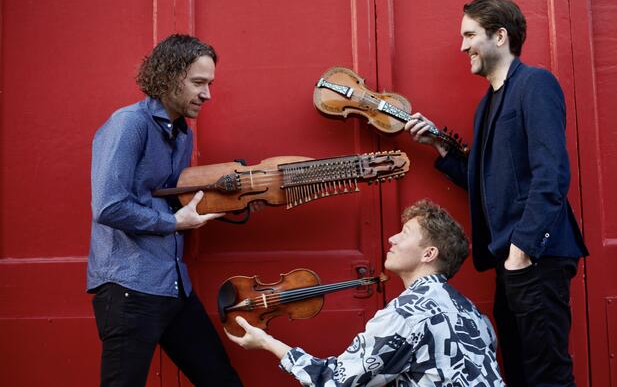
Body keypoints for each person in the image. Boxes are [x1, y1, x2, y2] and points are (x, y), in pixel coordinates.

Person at [404, 0, 589, 386]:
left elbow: (551, 176)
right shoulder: (487, 104)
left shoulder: (535, 84)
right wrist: (438, 147)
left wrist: (522, 251)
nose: (462, 47)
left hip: (536, 257)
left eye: (470, 35)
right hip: (511, 261)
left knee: (547, 376)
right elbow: (488, 183)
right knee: (520, 373)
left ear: (500, 36)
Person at [87, 34, 244, 386]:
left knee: (221, 380)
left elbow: (172, 196)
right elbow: (109, 205)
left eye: (210, 83)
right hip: (129, 287)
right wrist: (173, 223)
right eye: (199, 83)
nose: (207, 94)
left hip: (174, 287)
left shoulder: (182, 132)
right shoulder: (129, 124)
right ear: (170, 76)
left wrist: (235, 195)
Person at [226, 199, 504, 386]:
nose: (392, 239)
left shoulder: (410, 311)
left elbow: (334, 381)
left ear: (429, 254)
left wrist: (266, 342)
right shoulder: (472, 312)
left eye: (405, 233)